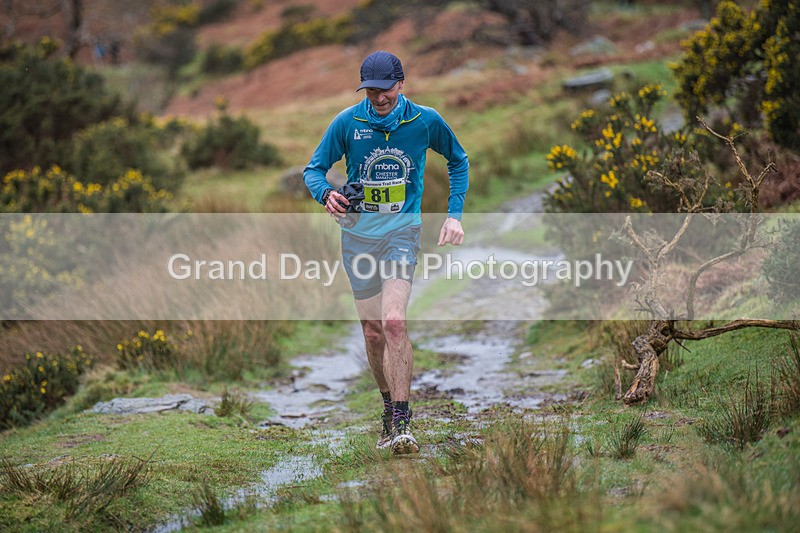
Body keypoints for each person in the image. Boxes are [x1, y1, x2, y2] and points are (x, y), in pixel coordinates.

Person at [304, 50, 468, 454]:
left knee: (393, 322)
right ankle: (386, 407)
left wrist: (454, 215)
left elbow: (458, 160)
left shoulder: (425, 120)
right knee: (372, 331)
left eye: (386, 89)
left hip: (401, 233)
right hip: (357, 236)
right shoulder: (347, 122)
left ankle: (402, 422)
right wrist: (326, 194)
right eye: (371, 90)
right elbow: (313, 169)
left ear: (401, 83)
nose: (379, 98)